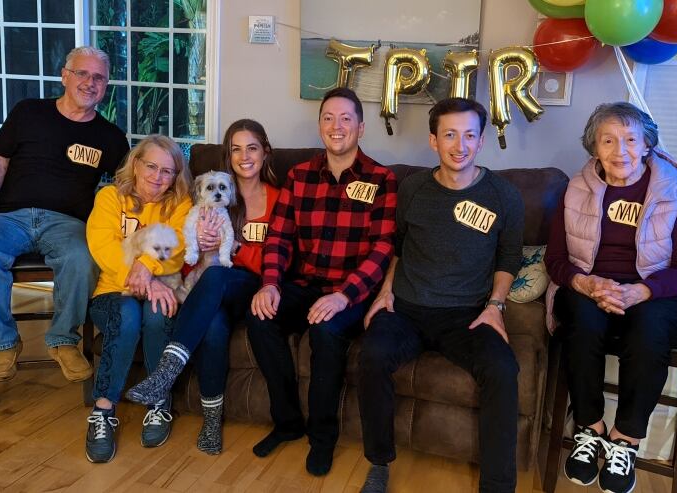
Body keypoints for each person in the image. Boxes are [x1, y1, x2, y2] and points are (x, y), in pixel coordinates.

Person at [544, 102, 677, 493]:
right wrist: (587, 284)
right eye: (608, 140)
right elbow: (555, 260)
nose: (619, 150)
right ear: (594, 147)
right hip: (592, 287)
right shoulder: (576, 189)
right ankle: (590, 428)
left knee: (649, 325)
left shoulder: (671, 190)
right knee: (581, 319)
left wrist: (643, 290)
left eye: (630, 139)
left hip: (660, 292)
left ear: (646, 145)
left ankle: (625, 439)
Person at [357, 97, 523, 493]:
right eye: (449, 134)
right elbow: (398, 246)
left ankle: (498, 486)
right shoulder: (413, 188)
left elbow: (510, 255)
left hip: (466, 316)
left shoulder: (504, 195)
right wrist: (384, 293)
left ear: (481, 141)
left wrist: (496, 306)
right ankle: (379, 462)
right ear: (434, 141)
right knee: (372, 356)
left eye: (469, 135)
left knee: (503, 368)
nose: (459, 144)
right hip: (407, 308)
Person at [246, 87, 397, 476]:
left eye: (346, 118)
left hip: (351, 293)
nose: (336, 125)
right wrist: (271, 284)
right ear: (319, 126)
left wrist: (344, 297)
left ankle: (322, 439)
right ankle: (288, 423)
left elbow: (383, 248)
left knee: (326, 332)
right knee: (261, 317)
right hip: (305, 283)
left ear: (361, 128)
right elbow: (278, 237)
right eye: (328, 118)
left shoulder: (382, 179)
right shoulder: (299, 176)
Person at [0, 46, 129, 384]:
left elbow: (127, 188)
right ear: (65, 76)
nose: (89, 83)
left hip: (68, 223)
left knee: (83, 258)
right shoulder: (29, 112)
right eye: (82, 73)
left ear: (106, 85)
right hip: (9, 217)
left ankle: (64, 340)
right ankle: (3, 342)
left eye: (99, 78)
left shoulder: (110, 137)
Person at [125, 119, 280, 455]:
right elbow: (188, 259)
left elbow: (280, 255)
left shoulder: (280, 199)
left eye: (252, 147)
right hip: (210, 287)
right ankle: (212, 419)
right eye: (236, 149)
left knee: (216, 276)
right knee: (212, 323)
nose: (244, 156)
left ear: (265, 153)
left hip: (248, 285)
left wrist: (237, 248)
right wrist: (197, 241)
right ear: (228, 155)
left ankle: (167, 368)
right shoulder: (210, 199)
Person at [83, 134, 193, 463]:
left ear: (176, 175)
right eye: (151, 166)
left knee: (158, 313)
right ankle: (102, 411)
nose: (157, 177)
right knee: (128, 315)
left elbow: (177, 250)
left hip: (162, 285)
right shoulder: (109, 198)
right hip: (112, 290)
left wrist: (146, 267)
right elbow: (103, 249)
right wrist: (144, 279)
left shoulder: (180, 204)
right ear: (136, 163)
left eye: (167, 171)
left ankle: (159, 403)